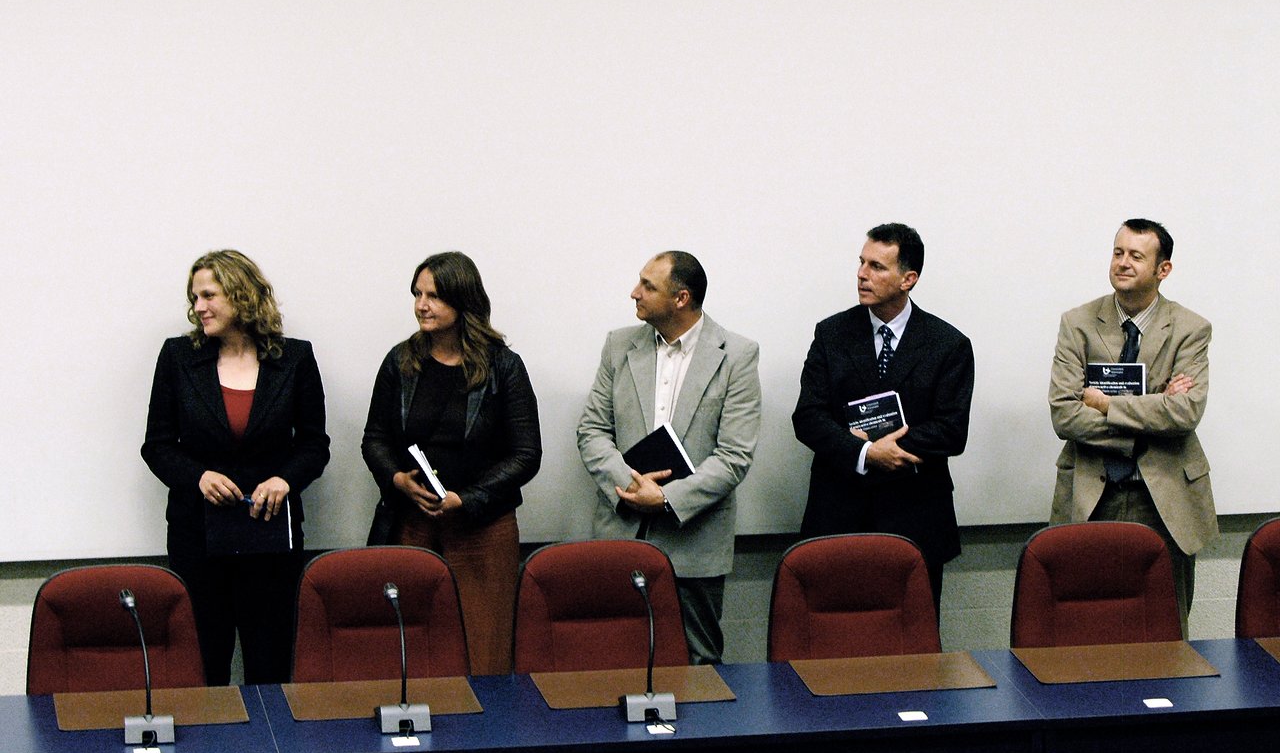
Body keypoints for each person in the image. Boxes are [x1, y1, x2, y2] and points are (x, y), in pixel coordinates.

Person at [142, 250, 330, 685]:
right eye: (195, 298)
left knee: (270, 660)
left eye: (209, 295)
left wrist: (285, 479)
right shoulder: (177, 357)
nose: (198, 308)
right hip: (199, 535)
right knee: (205, 660)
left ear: (241, 295)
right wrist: (199, 477)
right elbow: (157, 446)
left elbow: (314, 444)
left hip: (268, 533)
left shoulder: (294, 359)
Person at [361, 251, 541, 676]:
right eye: (417, 294)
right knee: (412, 644)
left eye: (435, 296)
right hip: (412, 522)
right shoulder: (400, 361)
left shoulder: (503, 367)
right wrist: (396, 478)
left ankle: (486, 736)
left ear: (464, 302)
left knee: (485, 650)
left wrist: (469, 498)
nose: (422, 305)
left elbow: (526, 454)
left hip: (482, 527)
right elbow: (375, 439)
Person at [578, 251, 761, 665]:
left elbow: (734, 456)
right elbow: (591, 431)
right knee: (616, 661)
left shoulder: (737, 355)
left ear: (681, 298)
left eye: (648, 286)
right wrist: (630, 484)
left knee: (698, 666)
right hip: (621, 531)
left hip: (694, 539)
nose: (634, 293)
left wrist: (666, 498)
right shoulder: (619, 345)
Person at [792, 223, 974, 613]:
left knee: (913, 647)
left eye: (877, 266)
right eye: (861, 262)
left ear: (908, 279)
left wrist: (891, 450)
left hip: (916, 517)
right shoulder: (831, 334)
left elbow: (951, 430)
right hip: (838, 514)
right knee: (834, 641)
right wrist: (866, 454)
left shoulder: (949, 345)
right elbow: (808, 416)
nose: (861, 273)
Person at [1049, 219, 1213, 635]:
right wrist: (1154, 404)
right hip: (1092, 491)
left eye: (1136, 256)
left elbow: (1185, 413)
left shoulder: (1191, 328)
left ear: (1164, 269)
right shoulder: (1078, 322)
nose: (1122, 263)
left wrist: (1106, 403)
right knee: (1087, 623)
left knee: (1164, 626)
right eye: (1118, 252)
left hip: (1163, 498)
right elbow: (1064, 414)